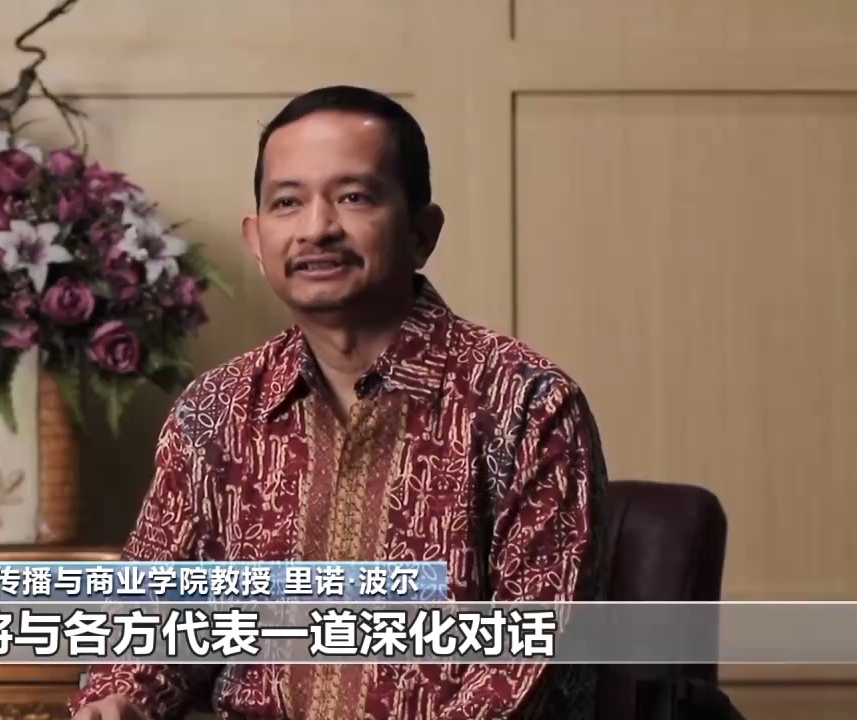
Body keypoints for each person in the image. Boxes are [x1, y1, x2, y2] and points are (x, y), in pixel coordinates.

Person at [69, 85, 609, 720]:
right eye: (287, 202)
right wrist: (120, 699)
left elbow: (531, 660)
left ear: (422, 233)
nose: (317, 228)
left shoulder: (527, 404)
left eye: (354, 197)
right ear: (257, 239)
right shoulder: (215, 412)